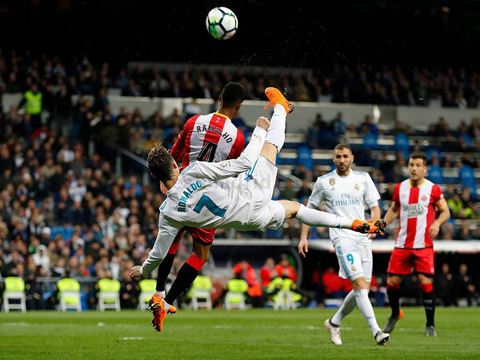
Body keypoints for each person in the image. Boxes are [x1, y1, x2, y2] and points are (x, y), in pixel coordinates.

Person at [130, 87, 385, 332]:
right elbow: (242, 163)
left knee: (295, 208)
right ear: (175, 165)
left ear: (156, 176)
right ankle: (281, 111)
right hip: (251, 193)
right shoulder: (194, 170)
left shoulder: (168, 213)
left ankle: (163, 296)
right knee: (271, 147)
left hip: (249, 220)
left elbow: (157, 254)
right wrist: (259, 132)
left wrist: (142, 270)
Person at [152, 82, 246, 313]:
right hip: (207, 202)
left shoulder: (194, 122)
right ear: (239, 107)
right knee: (199, 254)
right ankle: (167, 303)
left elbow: (172, 156)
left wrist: (166, 183)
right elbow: (233, 173)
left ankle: (158, 291)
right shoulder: (238, 138)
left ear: (220, 97)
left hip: (182, 191)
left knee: (171, 241)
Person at [298, 143, 389, 346]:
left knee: (362, 289)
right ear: (333, 159)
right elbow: (308, 211)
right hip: (342, 238)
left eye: (345, 156)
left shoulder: (363, 179)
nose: (341, 160)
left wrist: (374, 226)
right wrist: (304, 237)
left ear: (352, 158)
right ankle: (377, 331)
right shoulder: (324, 182)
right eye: (338, 156)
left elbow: (375, 207)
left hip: (363, 238)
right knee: (358, 284)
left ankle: (334, 322)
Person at [383, 152, 450, 337]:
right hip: (403, 244)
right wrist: (381, 224)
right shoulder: (400, 188)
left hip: (423, 245)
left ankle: (430, 324)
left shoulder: (433, 189)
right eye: (411, 165)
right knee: (392, 282)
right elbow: (394, 210)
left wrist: (436, 223)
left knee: (424, 282)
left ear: (424, 168)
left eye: (418, 165)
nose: (414, 168)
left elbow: (445, 212)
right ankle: (395, 314)